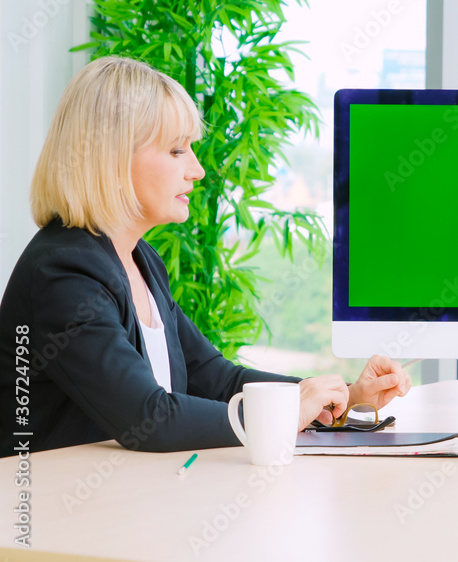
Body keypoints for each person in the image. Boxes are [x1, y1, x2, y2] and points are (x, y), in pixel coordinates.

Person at [0, 56, 410, 457]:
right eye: (177, 150)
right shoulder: (63, 274)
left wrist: (337, 398)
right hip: (57, 516)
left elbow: (213, 377)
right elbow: (150, 418)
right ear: (113, 158)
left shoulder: (140, 259)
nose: (196, 169)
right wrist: (288, 411)